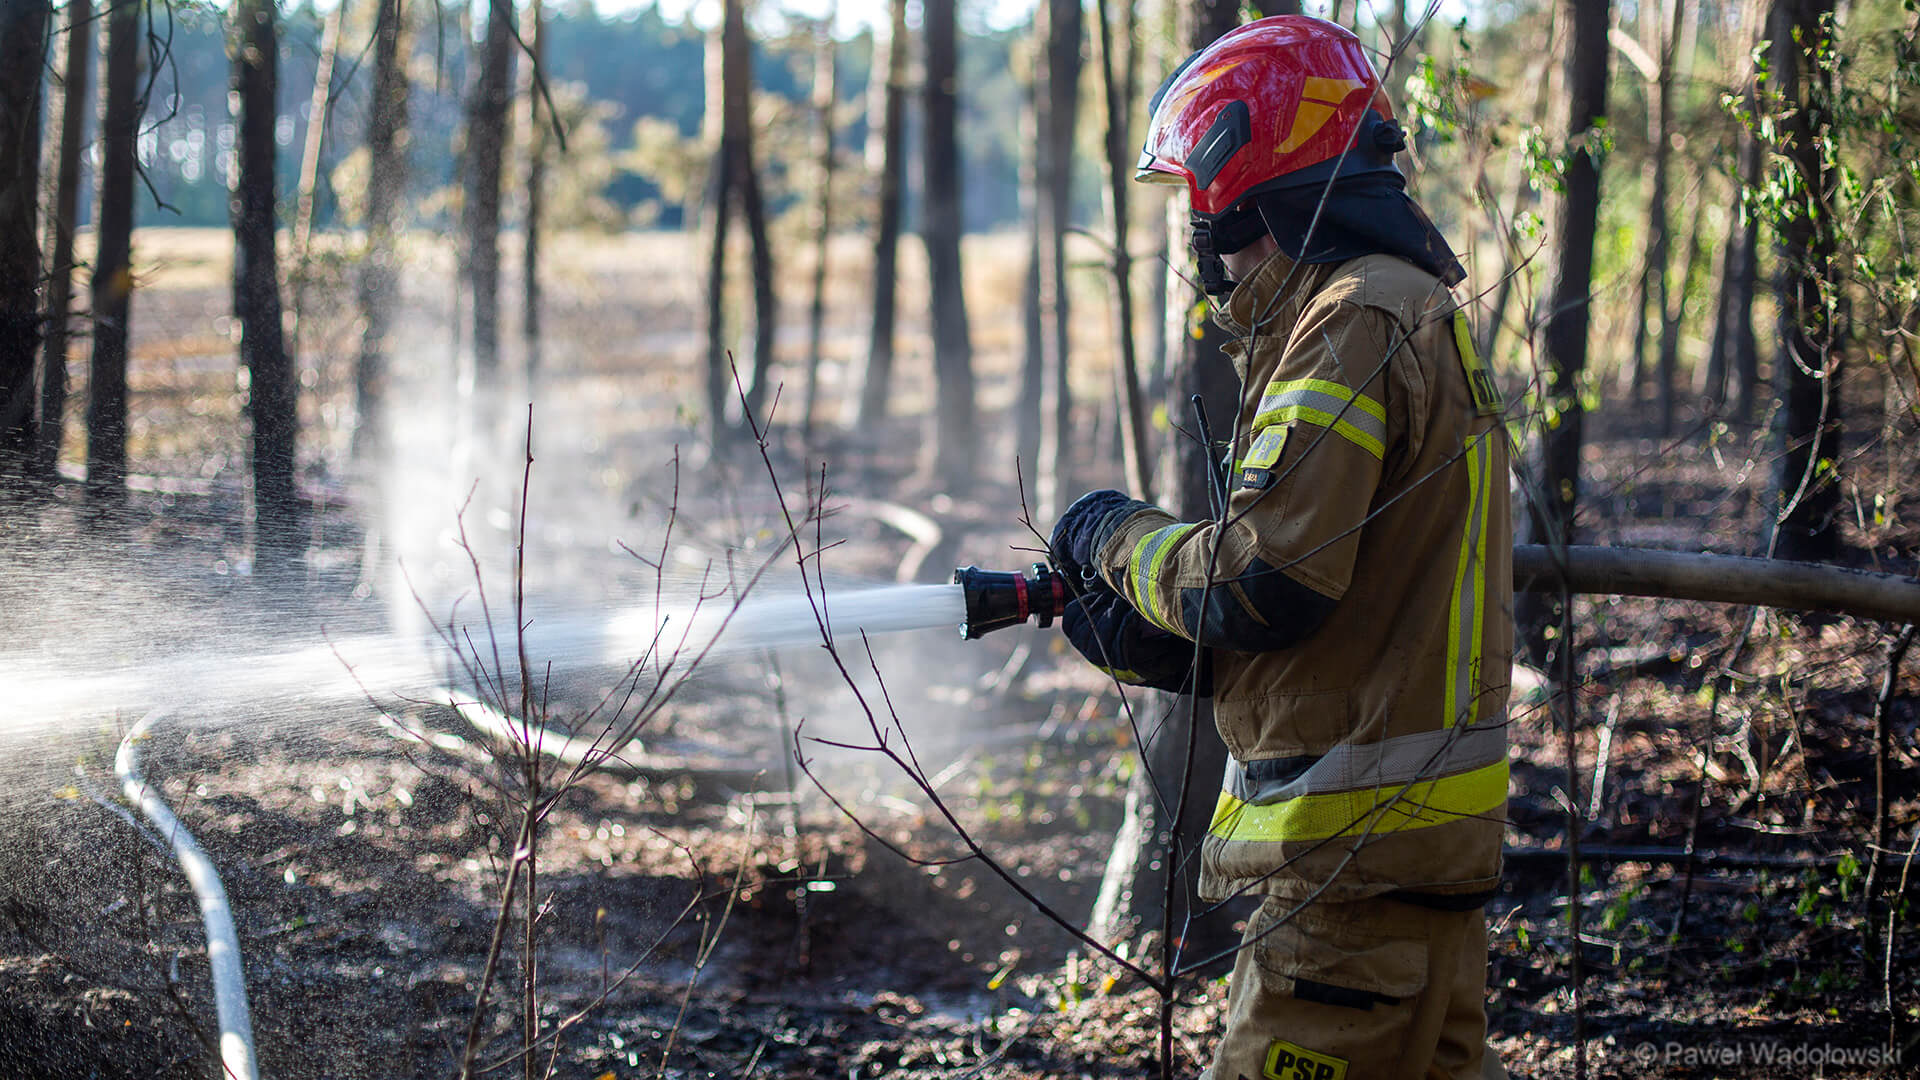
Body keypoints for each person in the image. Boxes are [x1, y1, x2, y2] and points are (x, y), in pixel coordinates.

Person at [1046, 16, 1513, 1080]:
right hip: (1416, 873)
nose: (1206, 247)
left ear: (1250, 195)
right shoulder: (1413, 310)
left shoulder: (1351, 323)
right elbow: (1368, 589)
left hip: (1348, 887)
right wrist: (1180, 650)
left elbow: (1267, 577)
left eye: (1208, 215)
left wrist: (1112, 539)